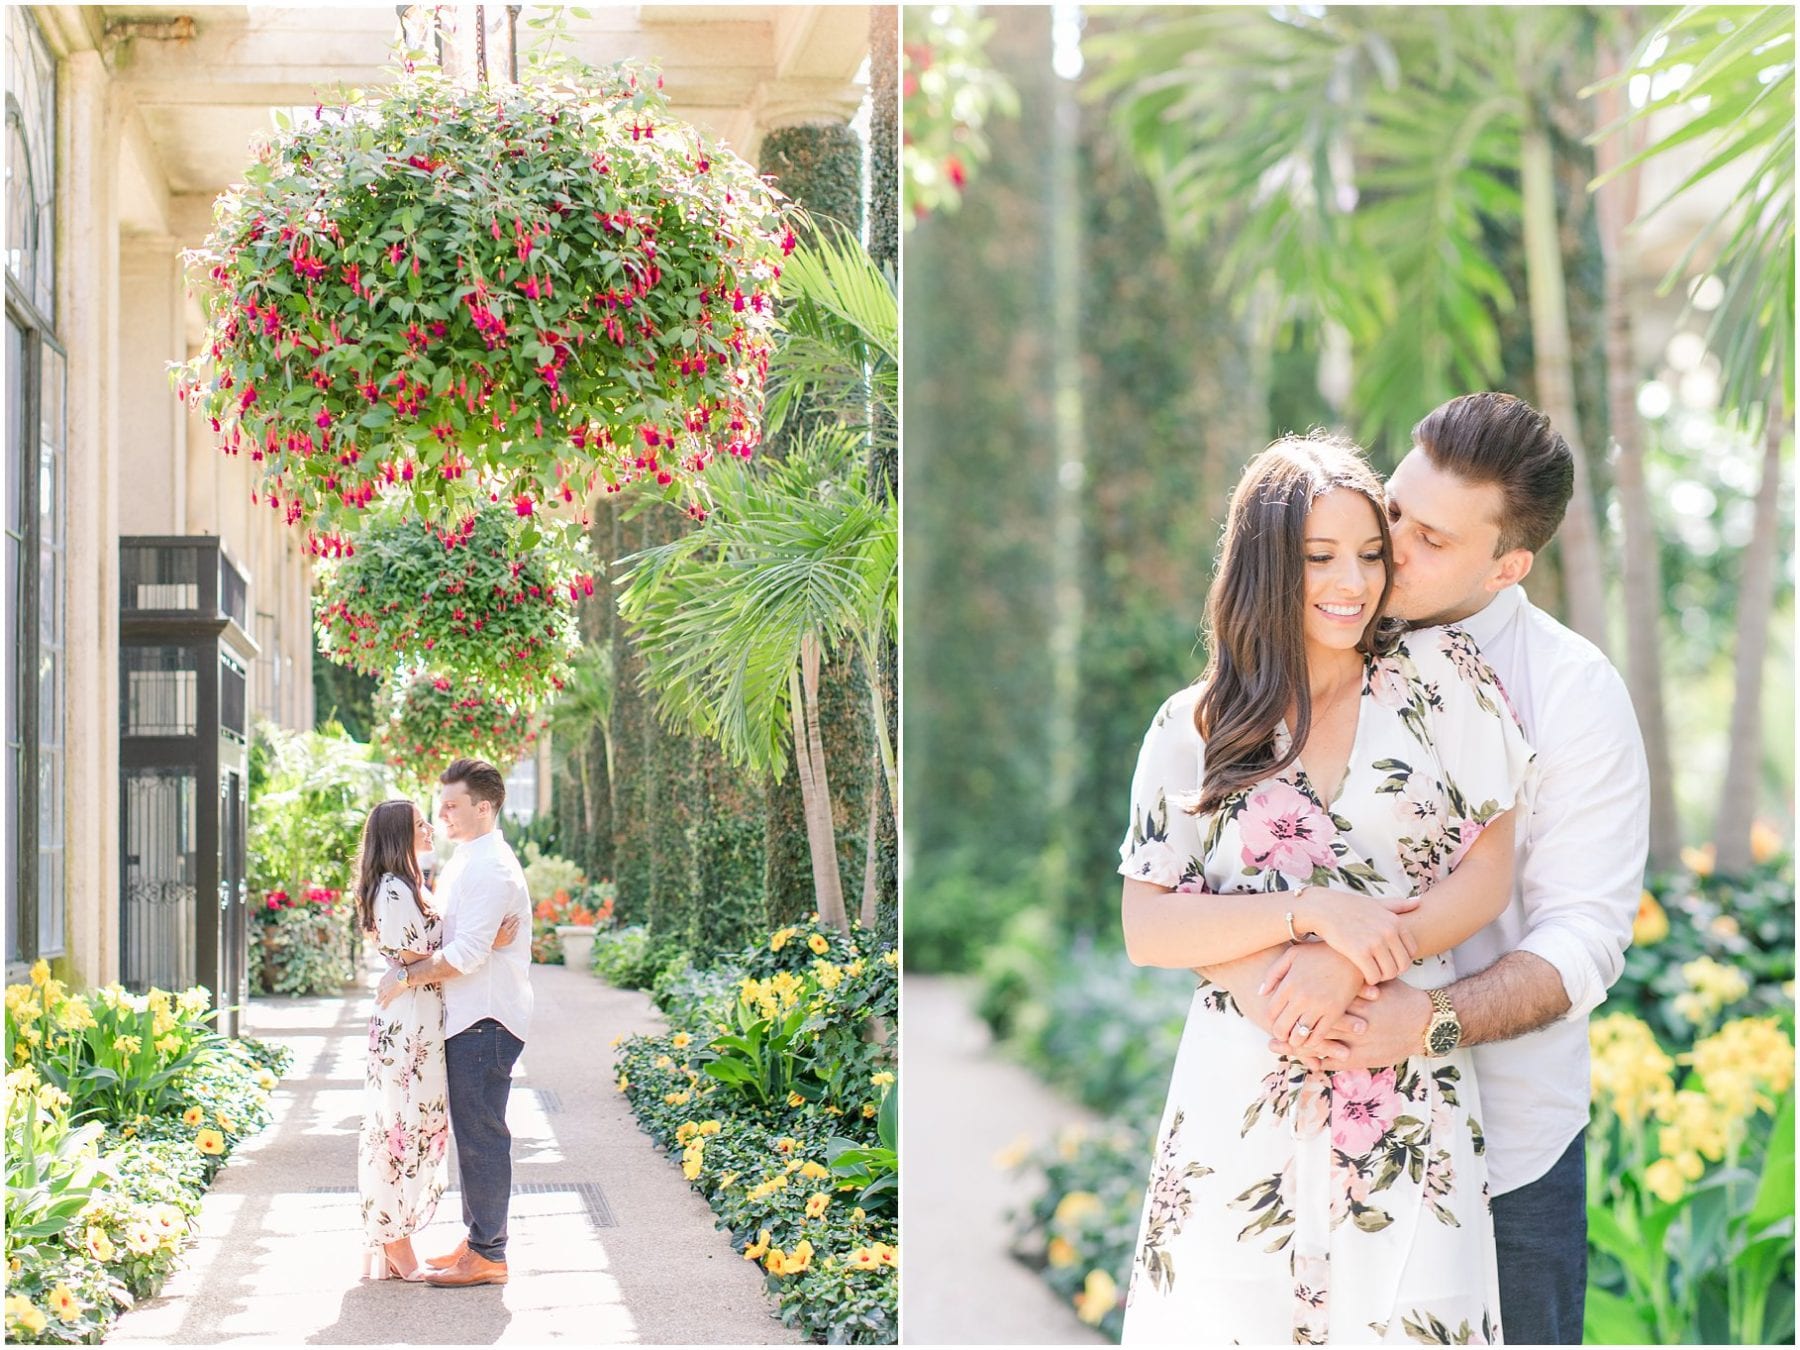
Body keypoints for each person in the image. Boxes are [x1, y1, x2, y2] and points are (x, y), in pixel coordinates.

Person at [1198, 392, 1648, 1343]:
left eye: (1431, 539)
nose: (1389, 546)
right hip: (1296, 1138)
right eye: (1394, 507)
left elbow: (1584, 941)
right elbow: (1203, 876)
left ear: (1508, 565)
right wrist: (1282, 979)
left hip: (1507, 1157)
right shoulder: (1296, 649)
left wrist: (1424, 1022)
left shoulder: (1570, 695)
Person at [1117, 433, 1535, 1344]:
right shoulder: (1193, 726)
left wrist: (1357, 966)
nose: (1353, 580)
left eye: (1370, 554)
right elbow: (1148, 926)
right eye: (1319, 557)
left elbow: (1489, 870)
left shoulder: (1443, 683)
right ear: (1266, 562)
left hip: (1404, 1088)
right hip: (1243, 1093)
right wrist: (1311, 914)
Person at [375, 758, 533, 1289]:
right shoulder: (469, 857)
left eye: (451, 805)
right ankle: (477, 1239)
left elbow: (462, 954)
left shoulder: (491, 867)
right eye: (439, 805)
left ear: (483, 807)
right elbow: (459, 938)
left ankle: (489, 1253)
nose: (439, 813)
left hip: (486, 1021)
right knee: (471, 1134)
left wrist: (404, 978)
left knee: (483, 1136)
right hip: (467, 1017)